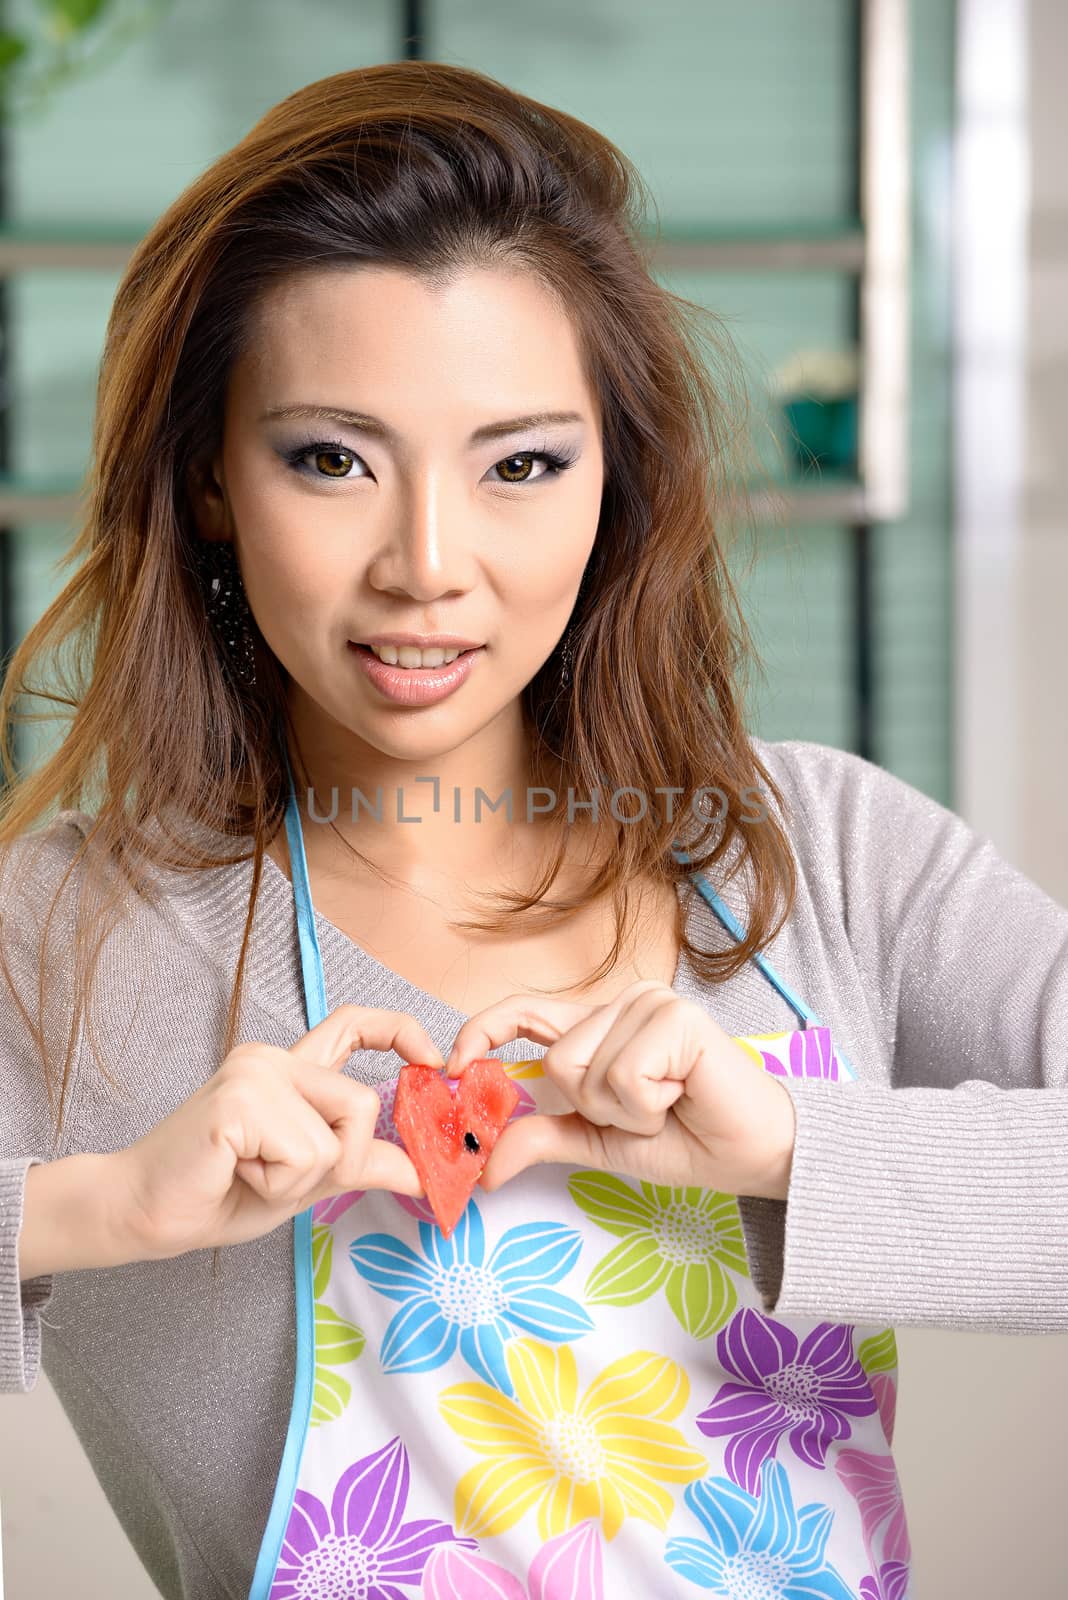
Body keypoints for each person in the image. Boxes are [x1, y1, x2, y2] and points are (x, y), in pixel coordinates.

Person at [0, 58, 1065, 1600]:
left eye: (520, 465)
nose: (430, 565)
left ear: (613, 481)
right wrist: (94, 1207)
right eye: (332, 458)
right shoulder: (68, 937)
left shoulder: (815, 854)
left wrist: (788, 1145)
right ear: (210, 481)